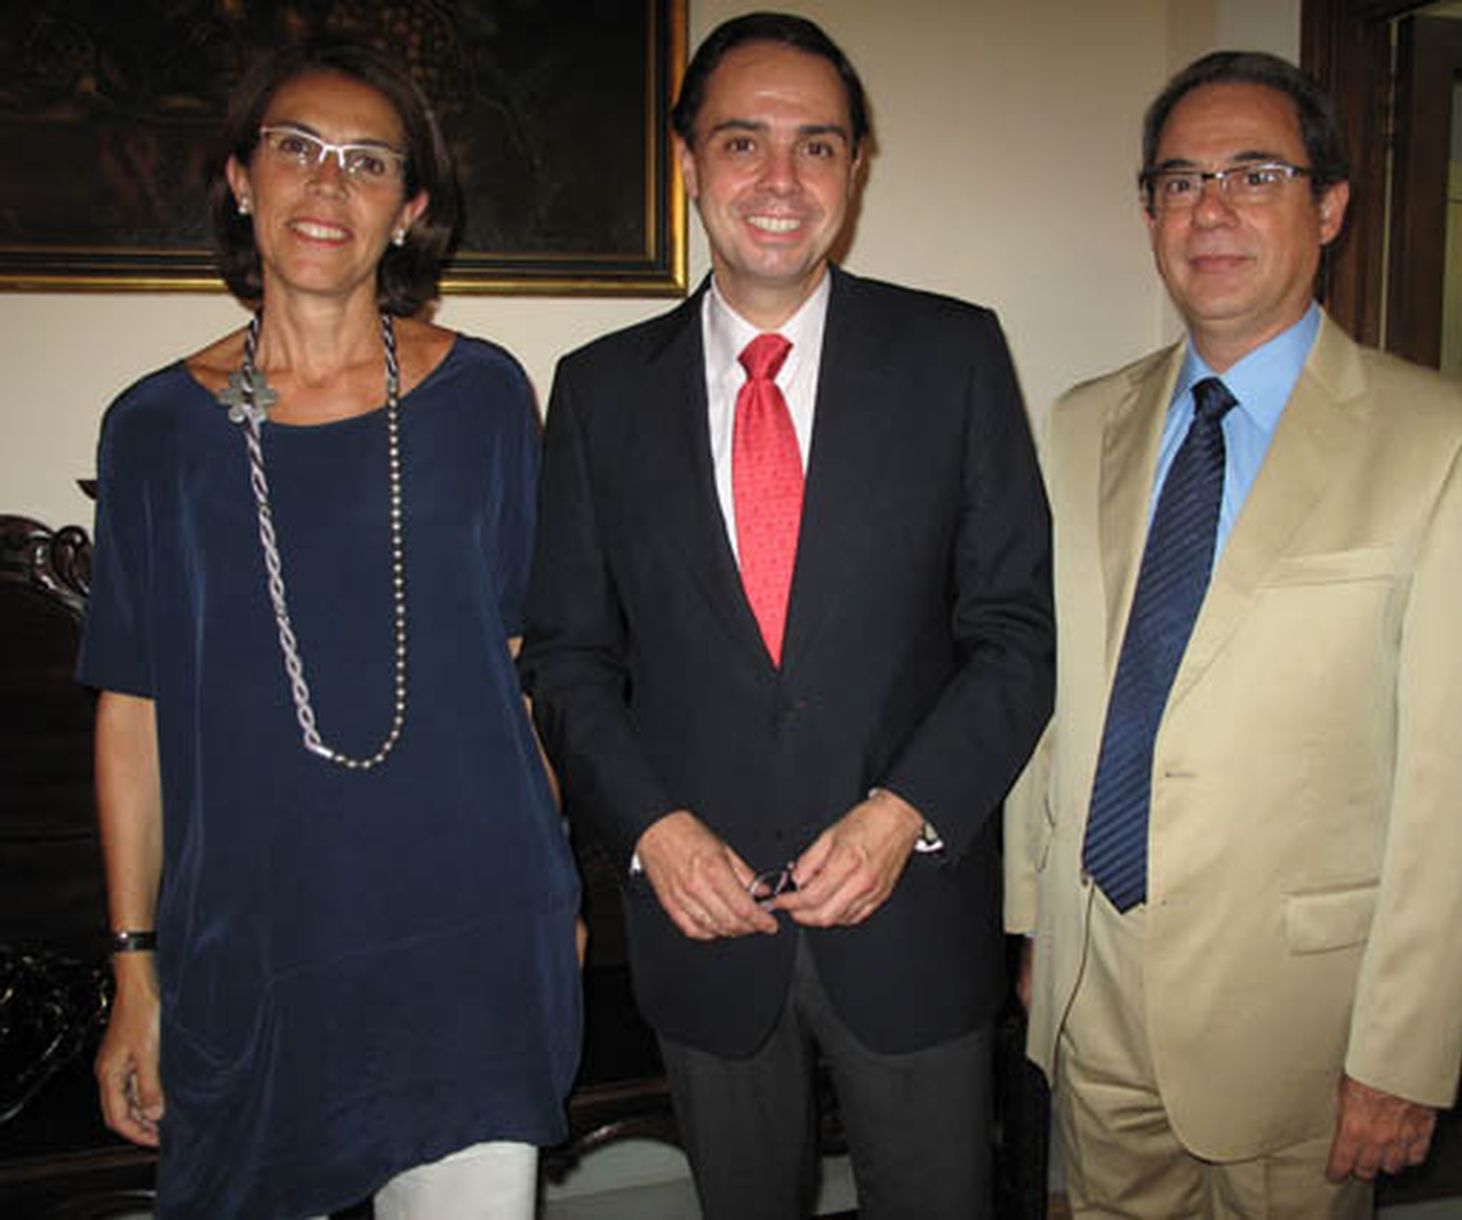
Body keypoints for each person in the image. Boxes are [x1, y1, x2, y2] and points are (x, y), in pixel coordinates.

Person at [1004, 49, 1462, 1218]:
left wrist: (1403, 1049)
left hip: (1303, 1017)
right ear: (1149, 209)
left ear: (1331, 205)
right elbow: (1058, 694)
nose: (1210, 209)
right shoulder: (1079, 419)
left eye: (1255, 174)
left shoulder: (1454, 442)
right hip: (1095, 982)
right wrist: (1034, 918)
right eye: (1180, 179)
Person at [522, 12, 1053, 1220]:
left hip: (911, 915)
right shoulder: (600, 392)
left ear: (855, 169)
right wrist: (653, 831)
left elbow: (1015, 632)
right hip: (700, 926)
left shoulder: (955, 356)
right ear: (690, 160)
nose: (778, 180)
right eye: (742, 141)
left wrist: (904, 812)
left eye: (816, 146)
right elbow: (570, 656)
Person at [80, 41, 581, 1220]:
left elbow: (522, 679)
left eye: (365, 162)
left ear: (408, 211)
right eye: (295, 148)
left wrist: (556, 891)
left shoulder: (486, 398)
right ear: (240, 179)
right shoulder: (155, 429)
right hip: (253, 955)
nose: (325, 183)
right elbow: (131, 715)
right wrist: (132, 971)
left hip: (467, 939)